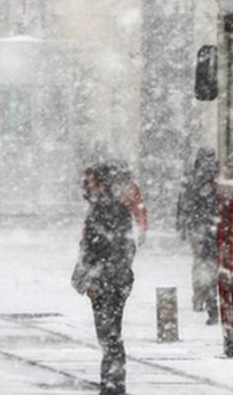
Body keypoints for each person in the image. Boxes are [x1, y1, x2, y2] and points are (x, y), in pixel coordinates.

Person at [72, 163, 136, 395]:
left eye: (88, 183)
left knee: (109, 336)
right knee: (110, 335)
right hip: (114, 281)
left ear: (101, 184)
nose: (85, 188)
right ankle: (112, 383)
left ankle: (113, 385)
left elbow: (104, 249)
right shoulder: (109, 209)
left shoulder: (105, 211)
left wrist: (95, 279)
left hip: (108, 283)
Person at [176, 147, 220, 324]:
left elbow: (184, 201)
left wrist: (182, 222)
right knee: (203, 261)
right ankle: (202, 295)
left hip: (204, 225)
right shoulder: (198, 177)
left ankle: (202, 295)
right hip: (202, 226)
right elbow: (184, 201)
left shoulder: (194, 177)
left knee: (202, 262)